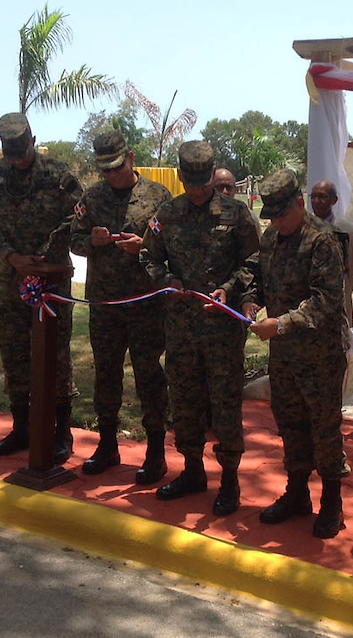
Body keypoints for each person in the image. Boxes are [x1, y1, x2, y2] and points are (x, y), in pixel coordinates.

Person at [140, 141, 260, 516]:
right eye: (190, 182)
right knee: (185, 399)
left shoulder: (236, 215)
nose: (197, 189)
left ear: (213, 175)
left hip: (222, 330)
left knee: (225, 403)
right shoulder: (166, 213)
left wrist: (230, 288)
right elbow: (148, 255)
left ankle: (229, 480)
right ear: (180, 177)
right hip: (180, 327)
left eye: (203, 182)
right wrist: (167, 280)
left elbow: (254, 262)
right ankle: (192, 471)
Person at [243, 169, 350, 539]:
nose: (275, 222)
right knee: (289, 424)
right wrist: (248, 301)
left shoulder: (322, 241)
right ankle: (298, 493)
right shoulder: (272, 238)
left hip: (319, 357)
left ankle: (332, 503)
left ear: (300, 204)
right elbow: (257, 277)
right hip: (284, 356)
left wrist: (282, 324)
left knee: (324, 428)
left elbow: (326, 303)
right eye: (270, 215)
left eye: (281, 214)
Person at [0, 112, 82, 464]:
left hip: (52, 282)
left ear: (33, 141)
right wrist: (10, 254)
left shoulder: (58, 176)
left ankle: (61, 433)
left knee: (56, 356)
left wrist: (49, 248)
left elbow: (79, 212)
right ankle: (22, 428)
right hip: (12, 280)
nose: (18, 161)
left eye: (23, 153)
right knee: (15, 354)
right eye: (11, 155)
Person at [69, 131, 173, 483]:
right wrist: (92, 242)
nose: (111, 175)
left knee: (148, 375)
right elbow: (74, 239)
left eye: (116, 167)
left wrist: (144, 246)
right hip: (106, 303)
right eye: (105, 169)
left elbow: (173, 245)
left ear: (130, 157)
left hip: (145, 304)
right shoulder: (92, 196)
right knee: (106, 374)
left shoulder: (158, 196)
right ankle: (107, 444)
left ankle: (156, 452)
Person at [310, 179, 353, 325]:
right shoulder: (304, 229)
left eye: (322, 196)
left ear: (334, 200)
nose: (316, 201)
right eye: (313, 196)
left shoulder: (350, 231)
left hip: (338, 310)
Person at [212, 167, 261, 235]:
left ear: (235, 190)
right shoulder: (200, 214)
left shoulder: (248, 216)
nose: (225, 191)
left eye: (229, 187)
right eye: (219, 187)